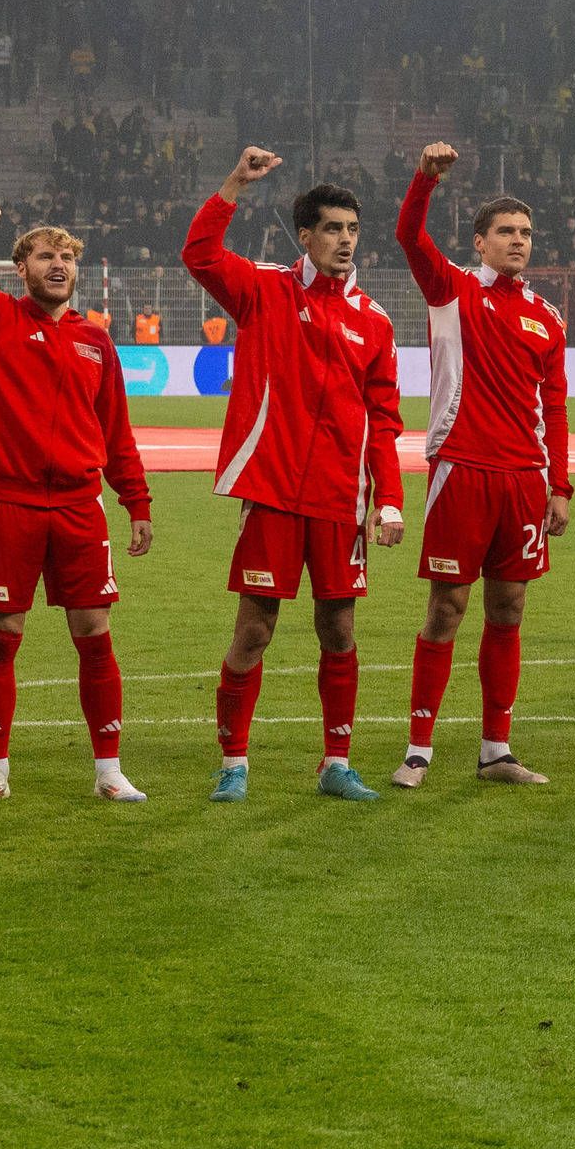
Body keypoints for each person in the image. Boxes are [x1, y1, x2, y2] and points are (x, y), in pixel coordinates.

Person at [182, 150, 411, 803]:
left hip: (341, 502)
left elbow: (384, 422)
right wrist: (233, 184)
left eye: (353, 229)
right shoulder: (264, 291)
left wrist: (389, 500)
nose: (345, 240)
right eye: (333, 228)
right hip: (274, 495)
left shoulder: (375, 322)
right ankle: (233, 764)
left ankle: (336, 763)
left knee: (338, 631)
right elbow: (199, 255)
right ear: (305, 236)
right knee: (254, 631)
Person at [0, 194, 158, 804]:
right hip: (11, 503)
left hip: (82, 507)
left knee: (95, 633)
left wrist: (136, 502)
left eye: (67, 257)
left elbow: (116, 431)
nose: (58, 265)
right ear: (20, 268)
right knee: (1, 636)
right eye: (45, 256)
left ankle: (109, 771)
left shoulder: (95, 341)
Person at [393, 144, 574, 788]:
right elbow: (409, 236)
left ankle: (496, 750)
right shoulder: (453, 289)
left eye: (526, 232)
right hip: (461, 468)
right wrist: (426, 179)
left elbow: (555, 406)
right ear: (480, 242)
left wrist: (559, 486)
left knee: (510, 606)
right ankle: (419, 748)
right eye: (506, 231)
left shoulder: (547, 317)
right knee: (447, 607)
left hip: (524, 479)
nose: (519, 241)